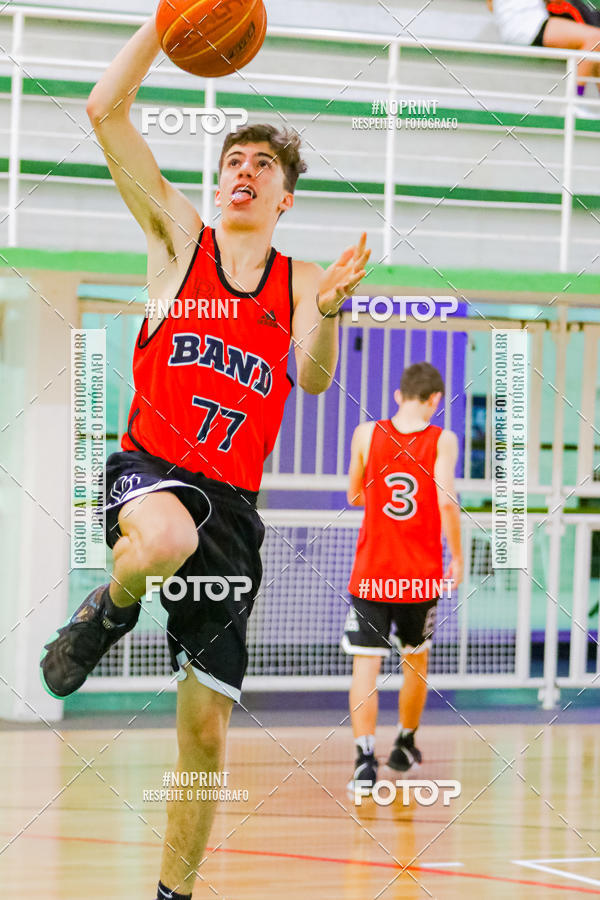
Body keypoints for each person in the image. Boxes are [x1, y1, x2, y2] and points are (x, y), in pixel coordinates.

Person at [39, 16, 370, 900]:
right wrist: (161, 22)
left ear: (284, 196)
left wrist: (332, 310)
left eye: (264, 166)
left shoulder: (303, 282)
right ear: (215, 179)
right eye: (234, 161)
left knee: (205, 739)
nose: (244, 173)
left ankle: (172, 894)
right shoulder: (177, 243)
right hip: (153, 472)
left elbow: (311, 379)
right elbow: (106, 110)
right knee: (159, 543)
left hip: (234, 512)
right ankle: (106, 613)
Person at [343, 362, 463, 794]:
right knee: (415, 660)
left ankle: (363, 758)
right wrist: (459, 559)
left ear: (398, 396)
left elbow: (354, 494)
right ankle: (405, 743)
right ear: (435, 400)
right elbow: (447, 501)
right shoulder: (442, 440)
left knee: (366, 665)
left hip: (373, 571)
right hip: (419, 574)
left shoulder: (366, 434)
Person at [488, 0, 600, 98]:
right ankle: (576, 97)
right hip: (532, 25)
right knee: (595, 38)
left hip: (510, 30)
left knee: (595, 49)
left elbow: (491, 6)